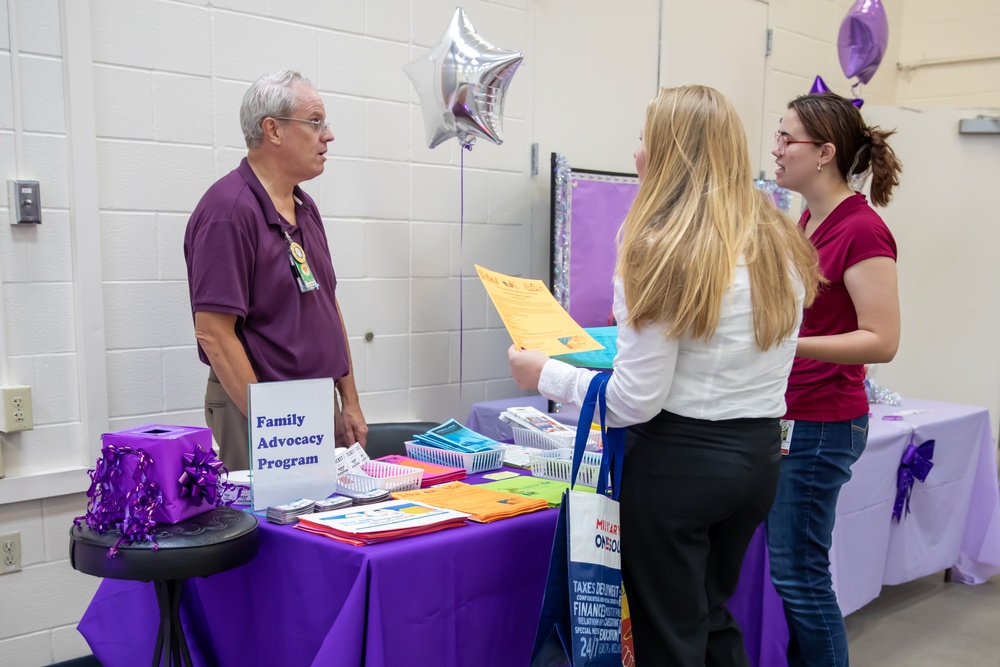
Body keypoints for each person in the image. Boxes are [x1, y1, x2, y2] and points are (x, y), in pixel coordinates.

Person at [508, 85, 821, 666]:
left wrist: (546, 375)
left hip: (680, 464)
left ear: (671, 154)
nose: (636, 156)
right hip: (755, 459)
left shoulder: (661, 242)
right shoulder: (779, 238)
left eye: (646, 142)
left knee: (669, 636)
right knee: (710, 618)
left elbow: (634, 400)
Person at [766, 91, 902, 667]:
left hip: (823, 423)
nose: (774, 149)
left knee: (800, 577)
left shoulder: (863, 230)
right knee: (793, 573)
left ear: (824, 152)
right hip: (795, 415)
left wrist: (785, 344)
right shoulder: (808, 217)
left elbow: (882, 339)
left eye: (785, 138)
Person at [184, 70, 367, 471]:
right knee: (271, 528)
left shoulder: (304, 207)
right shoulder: (228, 212)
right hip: (259, 405)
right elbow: (213, 332)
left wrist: (348, 399)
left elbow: (327, 306)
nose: (328, 135)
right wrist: (273, 423)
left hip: (317, 400)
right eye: (315, 122)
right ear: (273, 130)